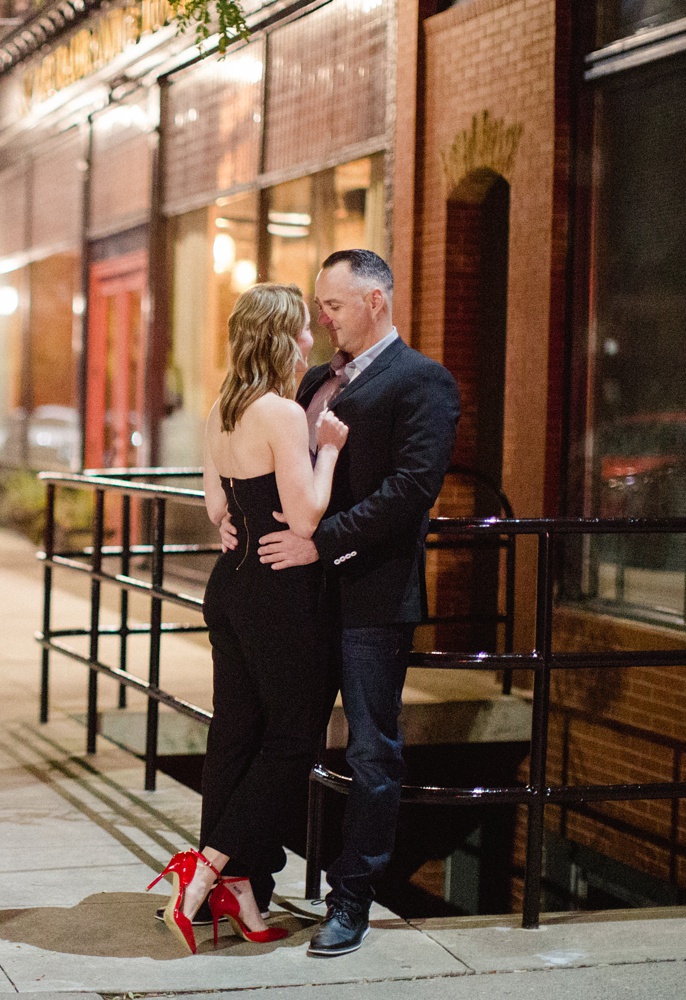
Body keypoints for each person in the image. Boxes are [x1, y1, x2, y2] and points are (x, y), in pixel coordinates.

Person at [255, 249, 460, 957]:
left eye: (334, 304)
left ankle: (351, 901)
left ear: (376, 300)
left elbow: (410, 492)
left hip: (371, 599)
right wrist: (232, 511)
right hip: (300, 598)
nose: (322, 317)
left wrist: (326, 541)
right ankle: (257, 878)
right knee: (283, 737)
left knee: (372, 754)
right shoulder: (316, 379)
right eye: (320, 304)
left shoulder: (423, 382)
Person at [149, 283, 349, 954]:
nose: (309, 341)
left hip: (228, 589)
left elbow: (215, 509)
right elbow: (306, 516)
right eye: (299, 331)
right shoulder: (283, 414)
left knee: (235, 734)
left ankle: (235, 887)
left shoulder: (222, 409)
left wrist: (237, 519)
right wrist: (331, 450)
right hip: (277, 594)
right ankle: (206, 870)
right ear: (278, 340)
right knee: (294, 735)